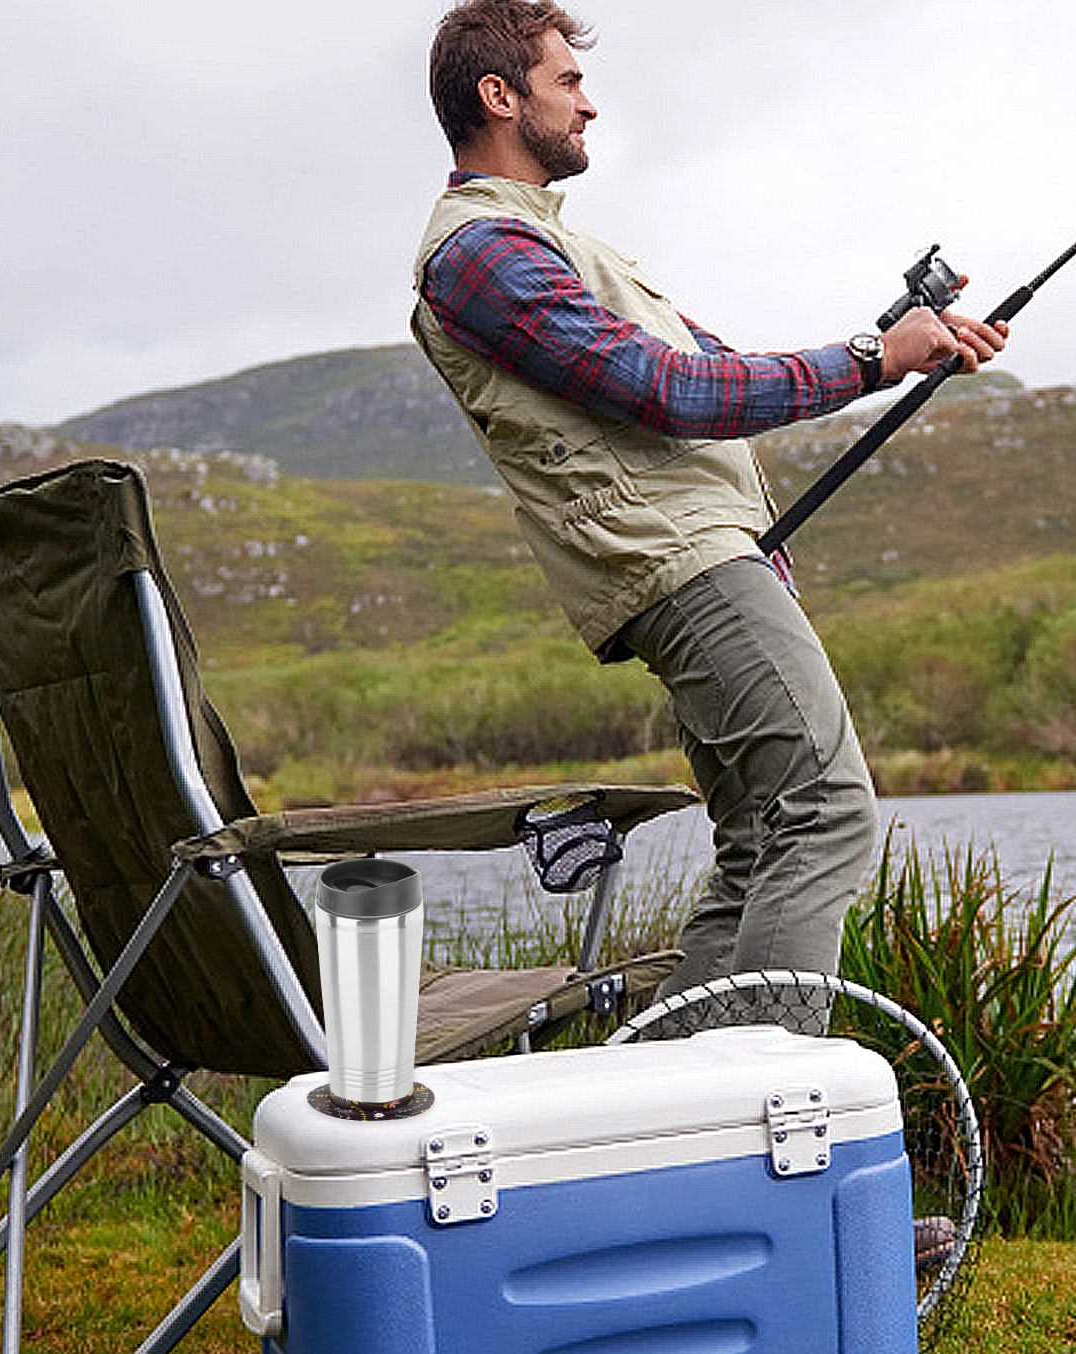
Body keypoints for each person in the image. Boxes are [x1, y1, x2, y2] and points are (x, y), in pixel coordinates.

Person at [413, 0, 1008, 1014]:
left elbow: (717, 368)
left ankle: (664, 1111)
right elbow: (672, 393)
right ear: (499, 96)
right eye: (568, 83)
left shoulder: (548, 246)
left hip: (701, 560)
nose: (589, 106)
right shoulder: (480, 254)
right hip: (679, 567)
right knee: (823, 814)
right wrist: (875, 357)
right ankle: (764, 1099)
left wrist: (900, 347)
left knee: (757, 846)